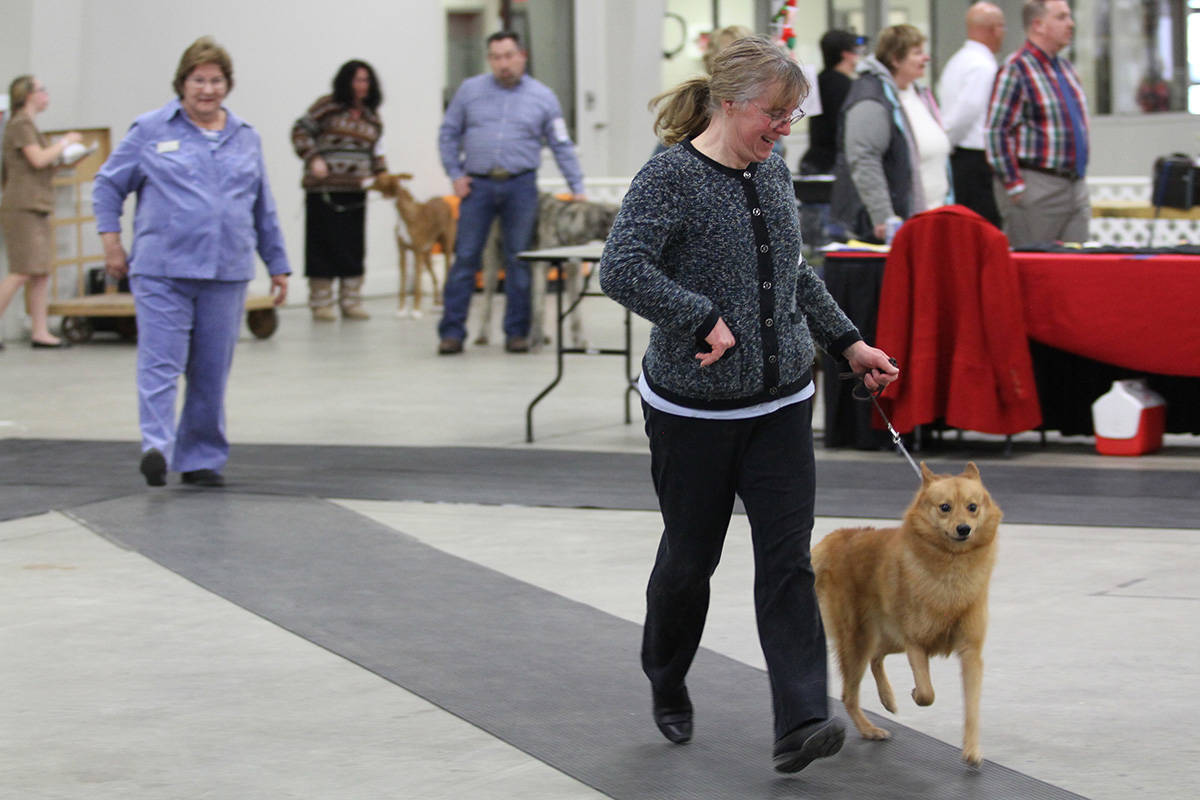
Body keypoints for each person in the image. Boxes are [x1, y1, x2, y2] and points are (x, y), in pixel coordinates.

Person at [598, 36, 898, 773]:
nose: (783, 129)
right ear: (729, 103)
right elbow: (621, 268)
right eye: (775, 114)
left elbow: (792, 274)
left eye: (793, 117)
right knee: (689, 562)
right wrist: (699, 316)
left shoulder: (771, 173)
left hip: (782, 406)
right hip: (693, 415)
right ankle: (666, 673)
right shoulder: (670, 177)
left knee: (787, 564)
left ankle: (801, 719)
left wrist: (847, 343)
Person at [93, 36, 290, 488]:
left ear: (228, 84)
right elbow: (107, 185)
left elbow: (263, 206)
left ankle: (201, 457)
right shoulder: (150, 130)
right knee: (160, 363)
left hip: (226, 271)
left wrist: (277, 264)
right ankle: (156, 449)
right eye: (198, 80)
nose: (207, 89)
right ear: (182, 83)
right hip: (162, 268)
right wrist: (111, 244)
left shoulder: (246, 137)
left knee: (210, 371)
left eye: (216, 80)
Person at [436, 30, 585, 355]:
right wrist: (455, 174)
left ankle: (517, 333)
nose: (503, 64)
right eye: (496, 57)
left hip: (520, 185)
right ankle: (451, 333)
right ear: (490, 59)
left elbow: (561, 145)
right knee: (466, 258)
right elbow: (448, 133)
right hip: (477, 185)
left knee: (519, 258)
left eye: (508, 56)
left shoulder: (542, 96)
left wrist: (577, 188)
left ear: (522, 56)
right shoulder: (469, 91)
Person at [830, 24, 952, 242]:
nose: (926, 58)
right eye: (917, 53)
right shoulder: (871, 97)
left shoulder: (920, 94)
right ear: (896, 59)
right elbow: (864, 159)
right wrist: (883, 217)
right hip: (893, 226)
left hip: (932, 214)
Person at [986, 0, 1090, 246]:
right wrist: (1014, 185)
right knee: (1033, 269)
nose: (1071, 24)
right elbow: (997, 132)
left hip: (1075, 184)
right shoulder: (1016, 69)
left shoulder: (1065, 68)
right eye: (1062, 17)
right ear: (1038, 25)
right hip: (1037, 185)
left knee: (1078, 268)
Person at [291, 60, 387, 321]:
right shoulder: (327, 107)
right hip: (324, 190)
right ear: (345, 81)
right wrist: (314, 158)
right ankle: (321, 302)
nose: (361, 85)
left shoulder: (372, 117)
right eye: (356, 80)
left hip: (355, 192)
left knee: (353, 246)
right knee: (322, 244)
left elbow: (377, 153)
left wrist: (382, 177)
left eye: (366, 80)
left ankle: (351, 300)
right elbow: (300, 131)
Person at [0, 75, 83, 349]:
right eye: (41, 90)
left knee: (41, 271)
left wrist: (67, 156)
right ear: (27, 95)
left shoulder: (30, 126)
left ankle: (40, 331)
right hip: (22, 205)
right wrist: (65, 143)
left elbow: (42, 164)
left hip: (37, 204)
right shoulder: (21, 124)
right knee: (22, 270)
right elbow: (37, 159)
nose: (46, 94)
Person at [938, 2, 1006, 228]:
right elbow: (966, 112)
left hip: (961, 157)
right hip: (974, 160)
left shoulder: (957, 61)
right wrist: (946, 142)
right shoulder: (982, 66)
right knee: (983, 227)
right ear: (994, 29)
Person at [798, 29, 864, 175]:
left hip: (816, 160)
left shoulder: (817, 81)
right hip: (834, 164)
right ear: (846, 54)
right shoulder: (846, 87)